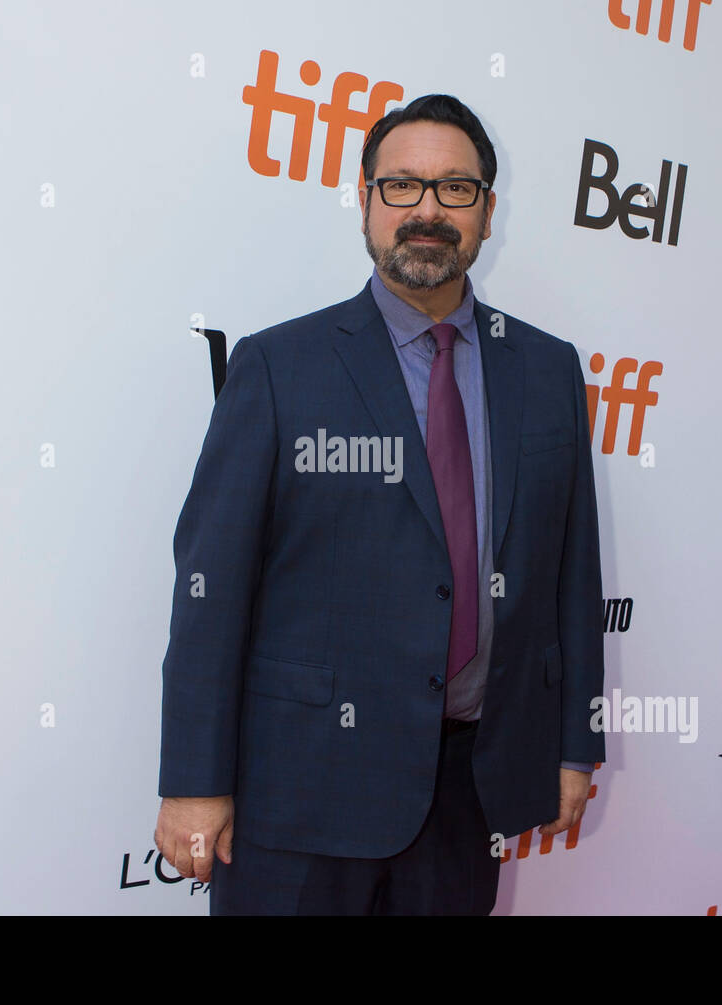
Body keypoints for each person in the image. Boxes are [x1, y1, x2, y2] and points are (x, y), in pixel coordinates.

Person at [155, 94, 604, 915]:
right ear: (365, 201)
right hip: (299, 795)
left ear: (487, 212)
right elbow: (209, 592)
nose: (427, 209)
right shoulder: (278, 367)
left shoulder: (547, 370)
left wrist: (575, 745)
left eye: (455, 189)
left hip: (472, 791)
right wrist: (192, 781)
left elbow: (573, 576)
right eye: (401, 186)